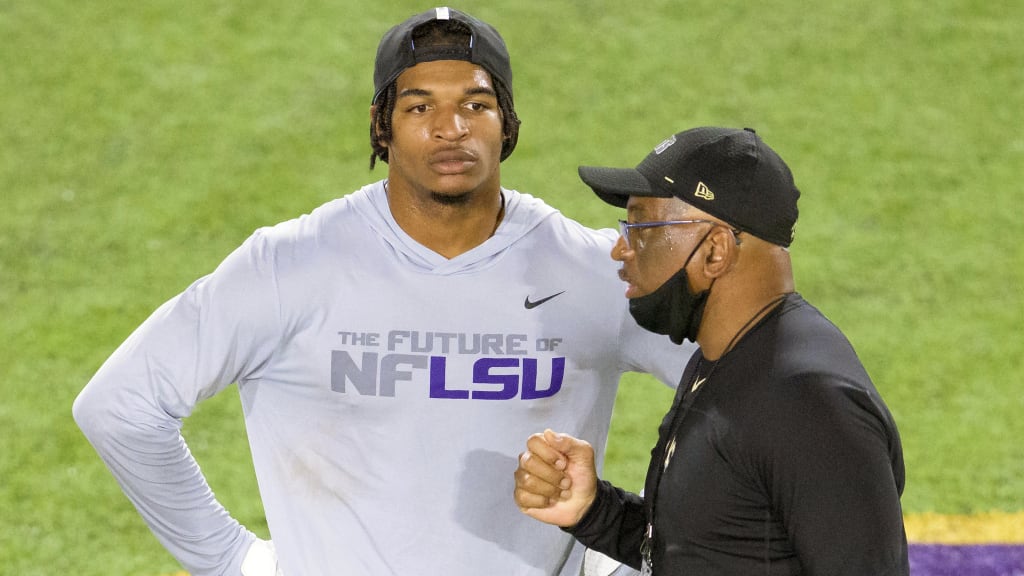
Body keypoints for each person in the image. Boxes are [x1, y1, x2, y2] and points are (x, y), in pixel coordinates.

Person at [72, 7, 692, 576]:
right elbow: (120, 408)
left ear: (507, 122)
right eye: (420, 107)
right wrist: (231, 560)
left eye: (475, 105)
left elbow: (739, 393)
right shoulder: (289, 265)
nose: (451, 128)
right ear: (381, 125)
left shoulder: (593, 269)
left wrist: (632, 549)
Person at [514, 126, 910, 575]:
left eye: (641, 227)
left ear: (716, 250)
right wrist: (595, 511)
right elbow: (710, 545)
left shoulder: (805, 402)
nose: (621, 249)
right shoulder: (728, 354)